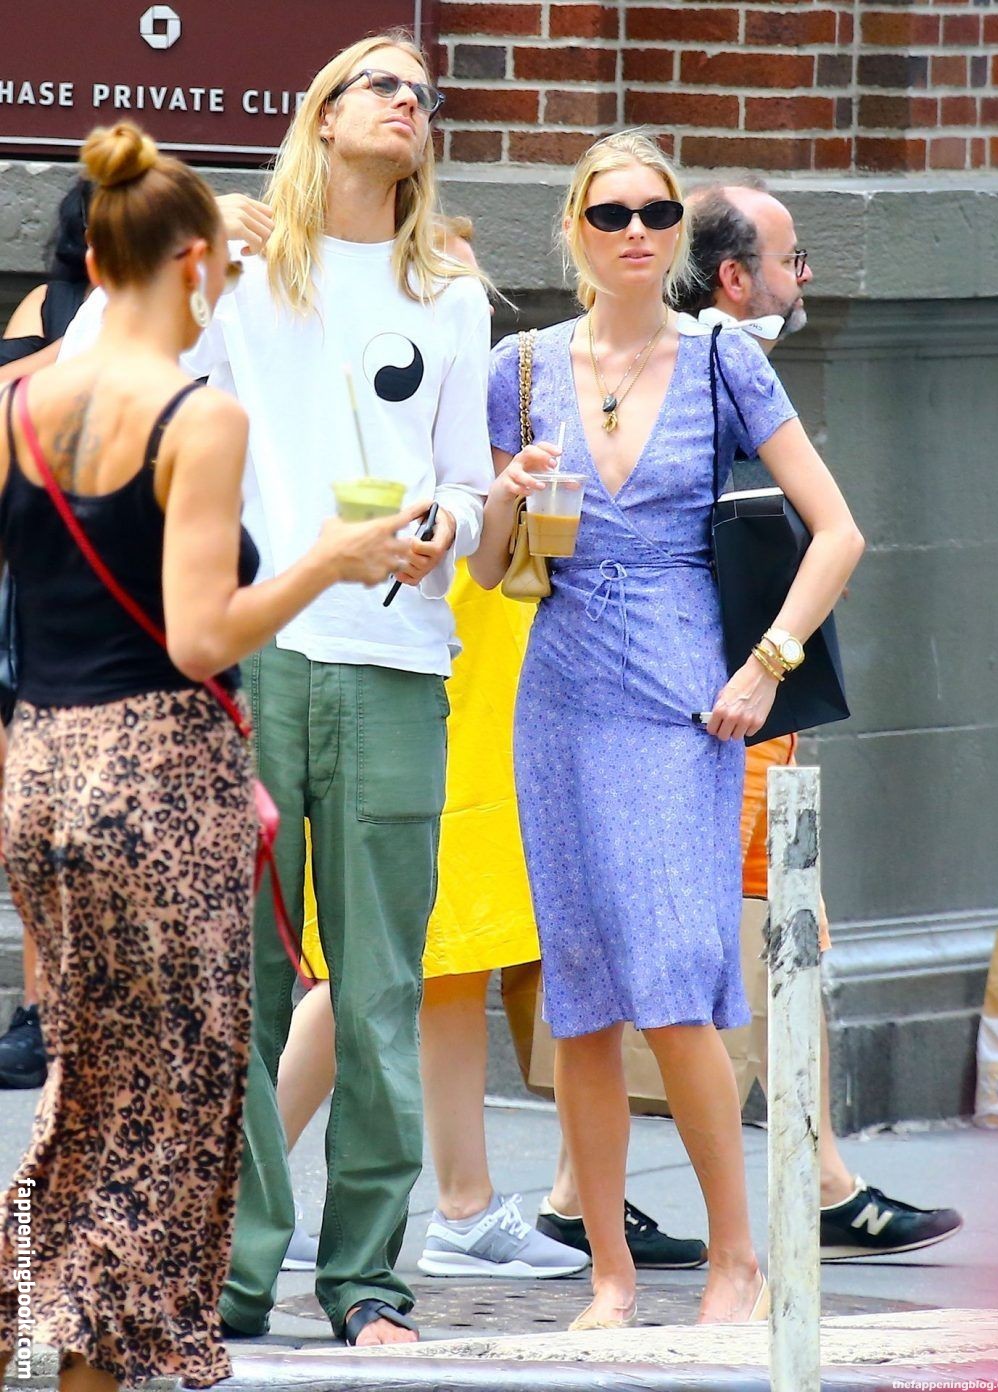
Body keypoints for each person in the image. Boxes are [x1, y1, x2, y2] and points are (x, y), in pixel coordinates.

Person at [61, 30, 494, 1347]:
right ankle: (234, 1268)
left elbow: (467, 479)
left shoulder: (449, 290)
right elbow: (93, 359)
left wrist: (449, 528)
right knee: (227, 988)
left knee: (377, 992)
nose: (409, 102)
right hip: (251, 654)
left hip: (397, 659)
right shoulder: (239, 271)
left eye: (423, 91)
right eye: (382, 83)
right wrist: (193, 247)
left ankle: (365, 1279)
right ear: (322, 112)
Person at [0, 121, 417, 1392]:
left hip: (41, 765)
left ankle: (51, 1316)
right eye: (221, 272)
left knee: (87, 1080)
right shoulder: (198, 414)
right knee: (174, 1098)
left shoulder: (19, 398)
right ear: (190, 264)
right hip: (157, 778)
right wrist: (327, 561)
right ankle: (105, 1354)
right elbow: (200, 636)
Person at [470, 130, 865, 1329]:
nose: (634, 231)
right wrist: (503, 498)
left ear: (679, 234)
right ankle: (610, 1274)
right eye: (610, 214)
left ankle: (736, 1260)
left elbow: (836, 532)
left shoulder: (720, 362)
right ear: (574, 231)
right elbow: (489, 574)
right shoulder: (520, 370)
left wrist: (766, 665)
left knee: (674, 983)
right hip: (560, 690)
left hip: (683, 694)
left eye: (654, 213)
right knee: (581, 994)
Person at [282, 213, 708, 1283]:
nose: (458, 297)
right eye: (438, 275)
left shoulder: (498, 371)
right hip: (443, 675)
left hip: (491, 674)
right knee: (390, 952)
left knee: (447, 954)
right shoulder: (408, 379)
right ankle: (239, 1190)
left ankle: (477, 1201)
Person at [681, 180, 963, 1259]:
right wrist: (767, 665)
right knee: (748, 940)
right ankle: (815, 1183)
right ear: (733, 276)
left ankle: (815, 1180)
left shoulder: (709, 362)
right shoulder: (715, 365)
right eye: (790, 260)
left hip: (740, 704)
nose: (805, 279)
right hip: (722, 708)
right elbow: (832, 534)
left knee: (766, 934)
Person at [0, 178, 94, 1090]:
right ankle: (37, 1009)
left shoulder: (202, 311)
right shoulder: (51, 306)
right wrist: (90, 338)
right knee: (36, 817)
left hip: (146, 581)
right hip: (46, 578)